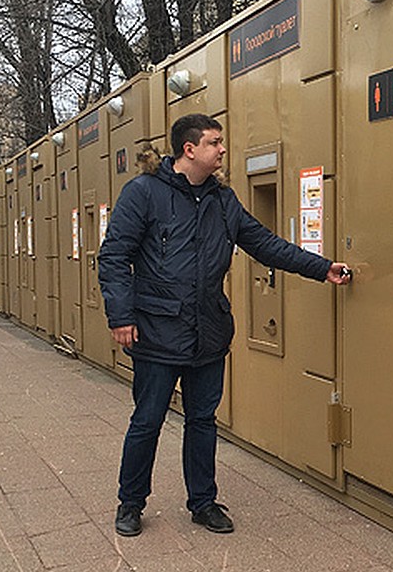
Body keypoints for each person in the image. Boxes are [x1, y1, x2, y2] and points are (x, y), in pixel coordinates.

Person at [98, 113, 351, 537]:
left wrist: (321, 268)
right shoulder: (143, 193)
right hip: (157, 332)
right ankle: (130, 503)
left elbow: (265, 244)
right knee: (147, 421)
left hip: (208, 333)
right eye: (214, 142)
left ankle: (202, 502)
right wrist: (121, 315)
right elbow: (113, 258)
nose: (222, 150)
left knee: (203, 420)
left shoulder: (222, 200)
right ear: (189, 149)